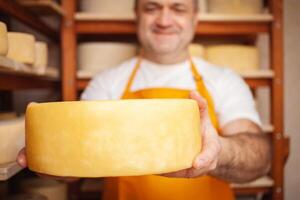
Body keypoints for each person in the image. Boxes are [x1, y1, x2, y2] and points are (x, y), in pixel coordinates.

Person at [17, 0, 272, 199]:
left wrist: (220, 152)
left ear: (194, 18)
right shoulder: (107, 83)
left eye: (178, 8)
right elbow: (76, 162)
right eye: (152, 8)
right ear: (136, 15)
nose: (164, 19)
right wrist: (52, 160)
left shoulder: (224, 81)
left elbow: (260, 158)